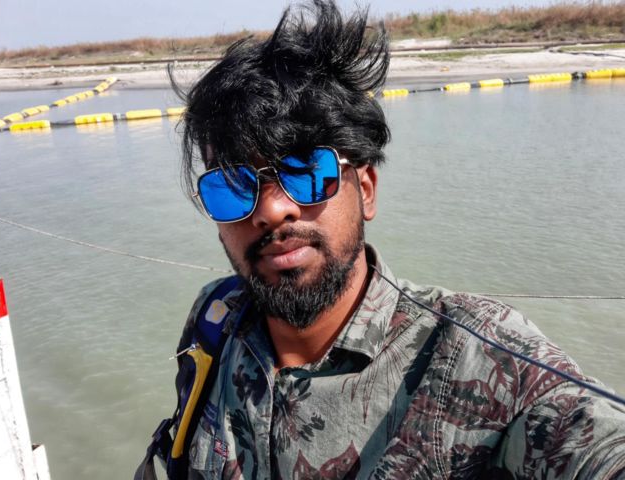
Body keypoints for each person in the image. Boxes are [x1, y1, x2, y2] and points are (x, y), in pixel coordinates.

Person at [163, 1, 625, 478]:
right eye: (233, 185)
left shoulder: (482, 359)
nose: (272, 210)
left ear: (364, 190)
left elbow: (591, 441)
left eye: (306, 171)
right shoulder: (215, 318)